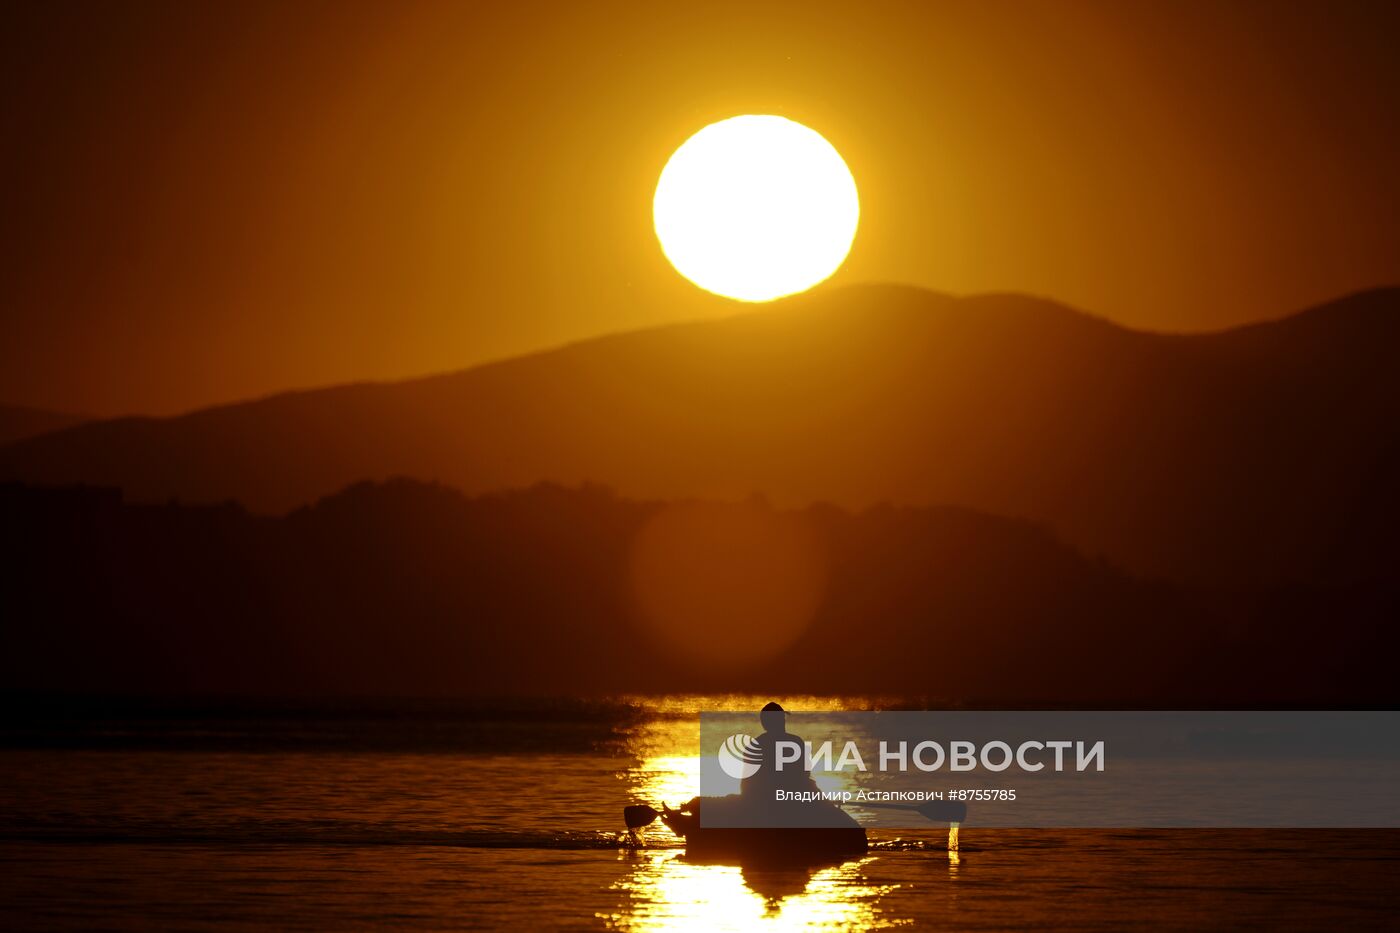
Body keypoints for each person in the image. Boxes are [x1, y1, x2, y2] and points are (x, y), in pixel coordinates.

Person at [741, 701, 819, 802]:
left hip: (763, 797)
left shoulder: (754, 745)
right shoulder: (796, 741)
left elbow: (746, 783)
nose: (783, 721)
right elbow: (805, 774)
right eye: (781, 718)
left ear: (763, 723)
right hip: (788, 796)